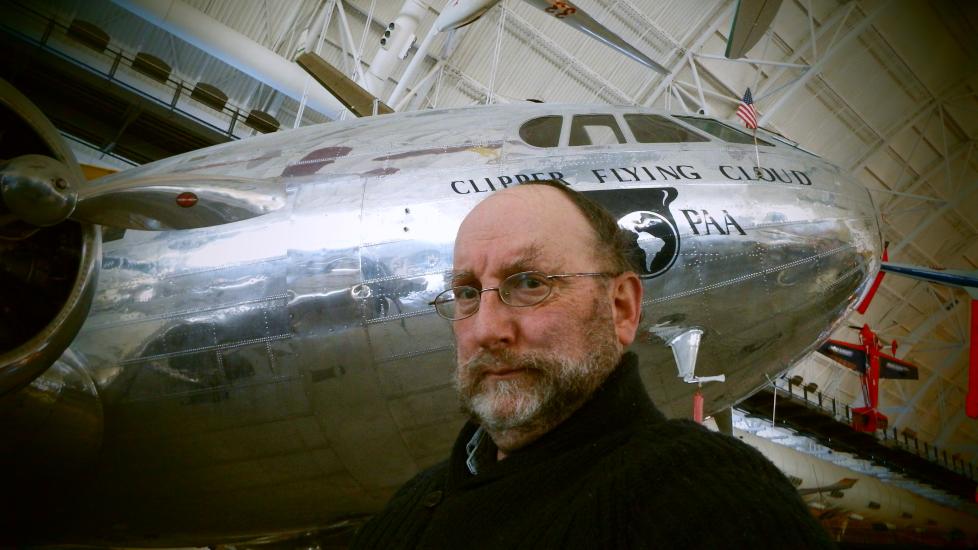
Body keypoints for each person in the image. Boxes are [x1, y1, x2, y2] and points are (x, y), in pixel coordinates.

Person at [353, 180, 833, 549]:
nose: (485, 329)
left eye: (529, 283)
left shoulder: (708, 498)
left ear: (620, 308)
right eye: (466, 293)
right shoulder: (414, 502)